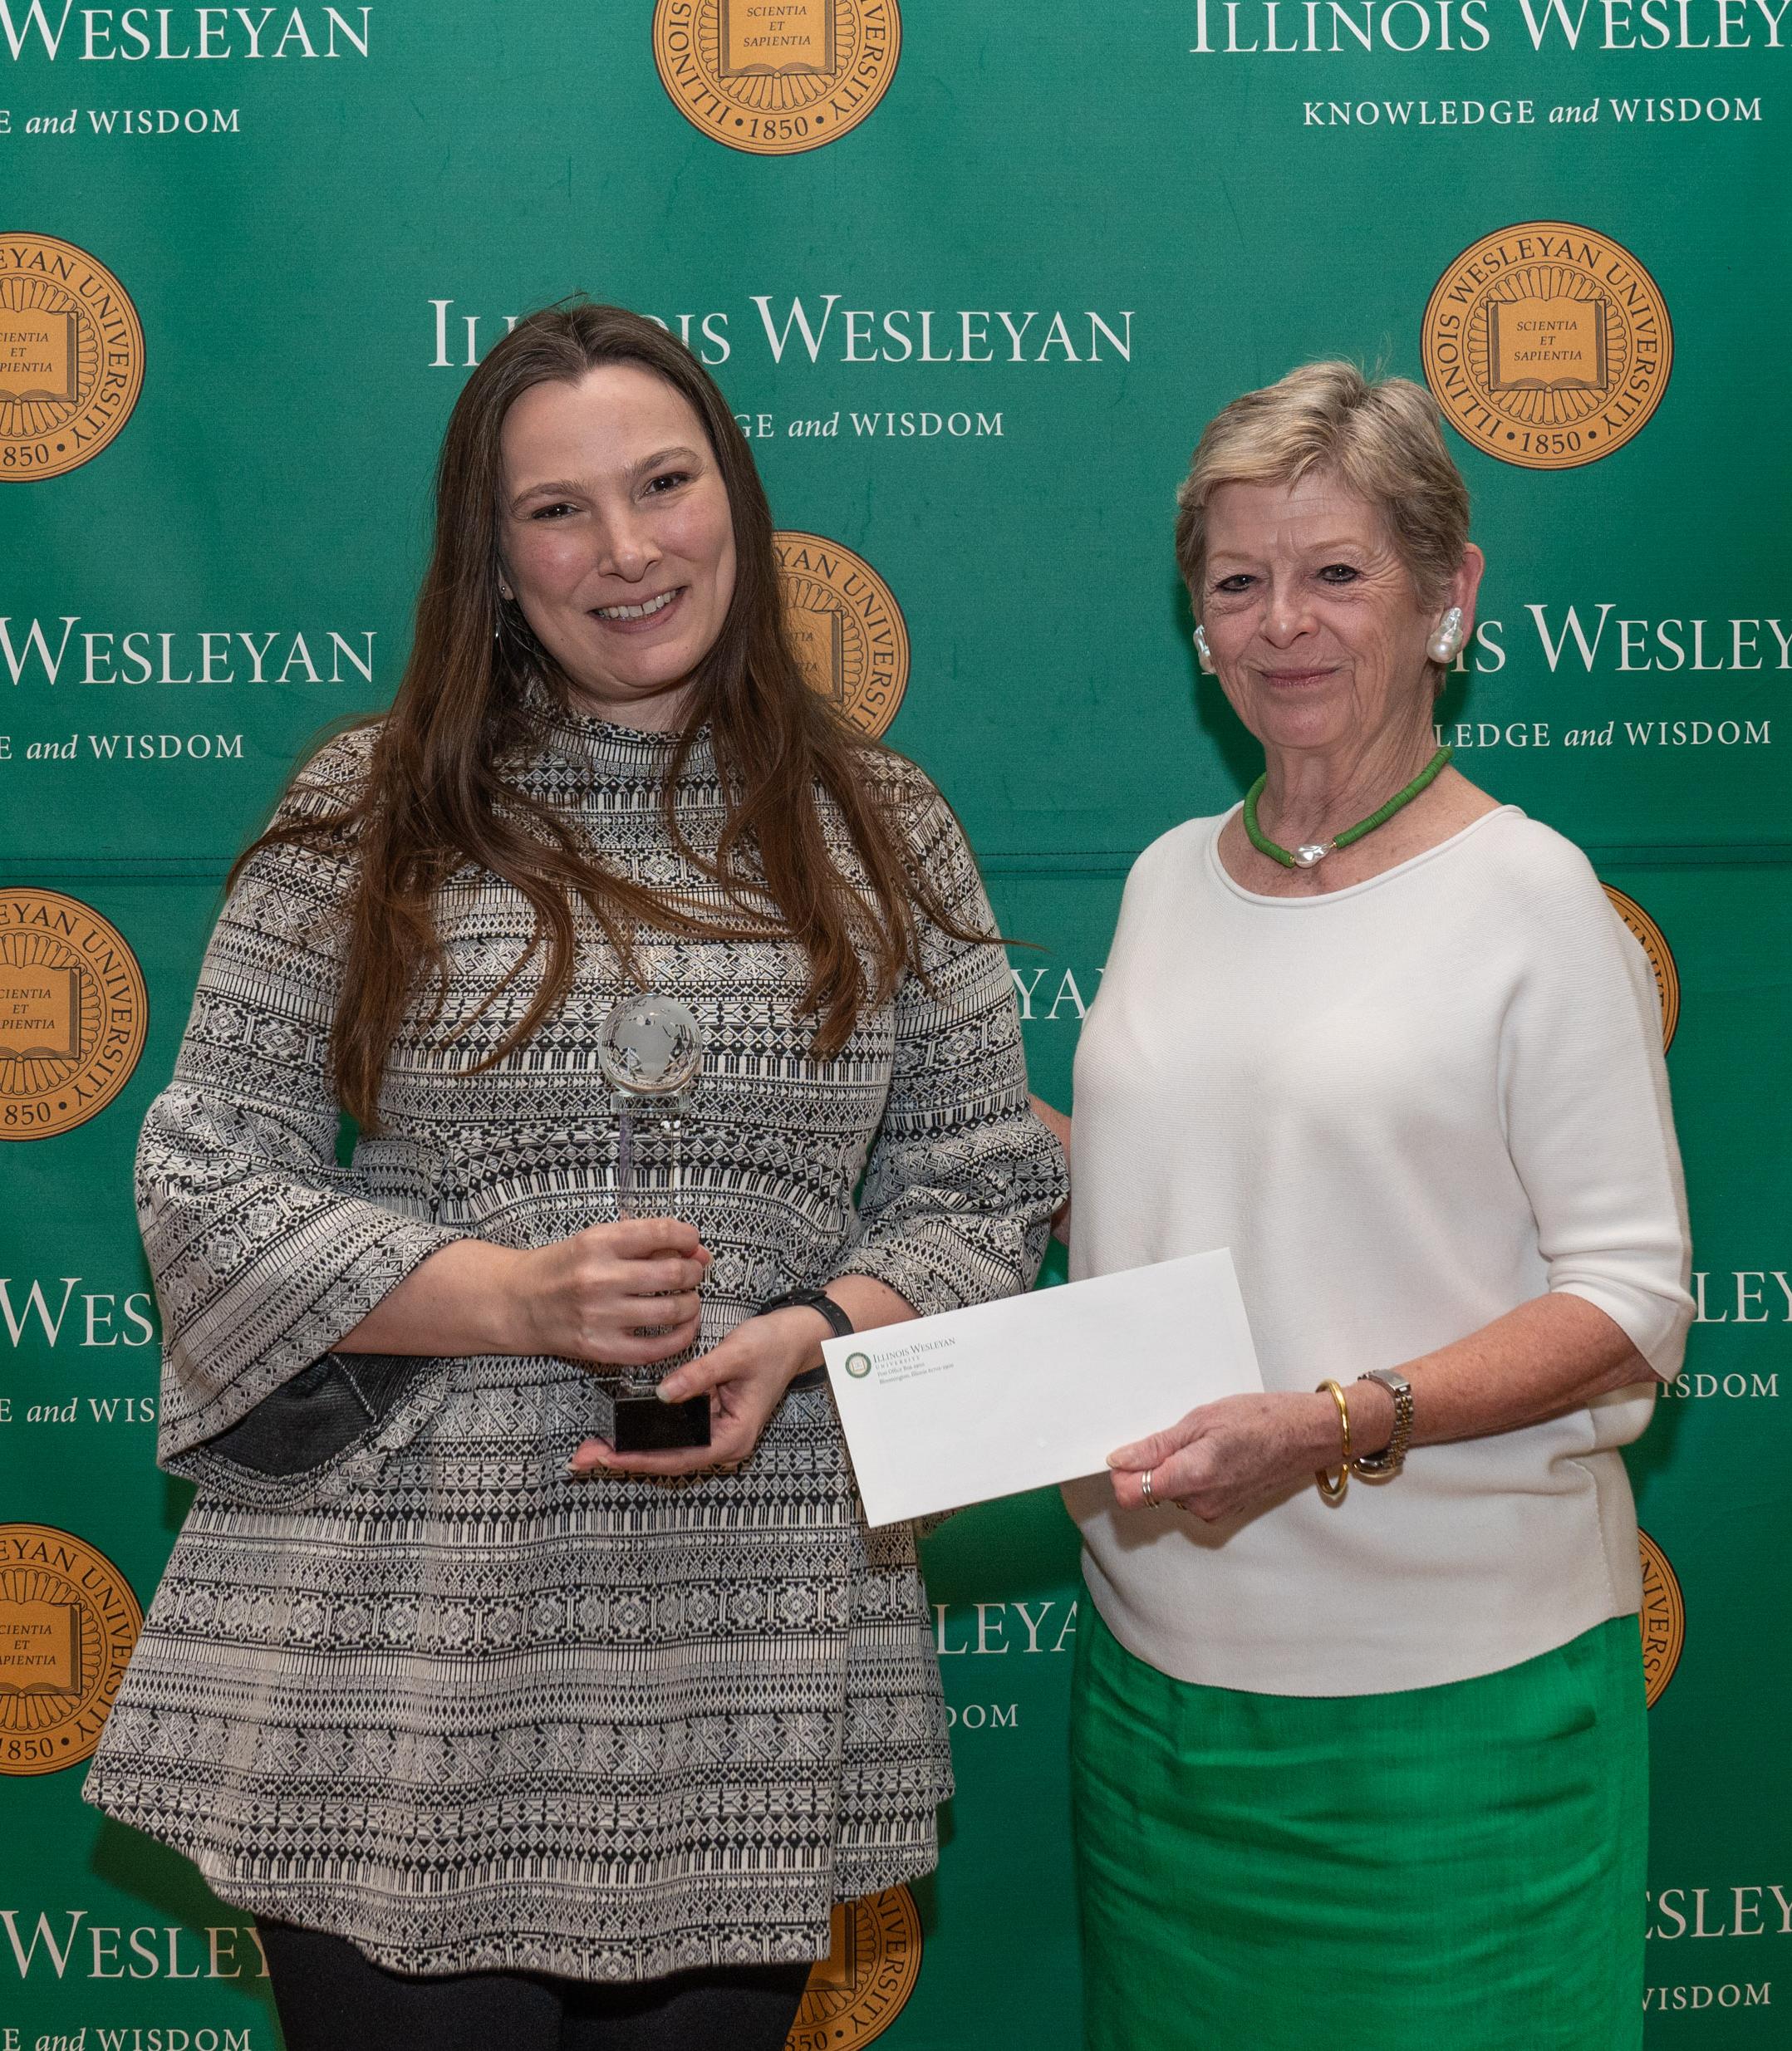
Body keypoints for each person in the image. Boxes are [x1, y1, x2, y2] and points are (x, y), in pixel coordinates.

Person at [85, 302, 1066, 2051]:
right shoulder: (367, 802)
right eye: (557, 510)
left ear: (735, 503)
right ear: (495, 564)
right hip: (400, 1661)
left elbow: (988, 1183)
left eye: (663, 482)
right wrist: (514, 1296)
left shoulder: (883, 824)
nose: (624, 548)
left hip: (745, 1650)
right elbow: (202, 1170)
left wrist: (819, 1324)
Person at [1038, 362, 1691, 2051]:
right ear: (1193, 614)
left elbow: (1627, 1300)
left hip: (1447, 1733)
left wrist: (1333, 1421)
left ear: (1444, 595)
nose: (1281, 624)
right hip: (1155, 1703)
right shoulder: (1165, 877)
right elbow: (1183, 1172)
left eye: (1334, 572)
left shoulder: (1527, 894)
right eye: (1236, 579)